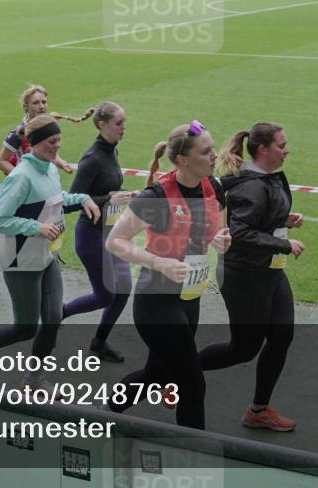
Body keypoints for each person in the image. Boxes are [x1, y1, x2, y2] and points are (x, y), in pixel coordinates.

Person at [0, 115, 100, 390]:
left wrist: (82, 199)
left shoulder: (49, 169)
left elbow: (56, 201)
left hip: (46, 256)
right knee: (26, 327)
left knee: (53, 318)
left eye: (59, 140)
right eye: (52, 141)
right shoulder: (21, 177)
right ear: (36, 143)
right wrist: (36, 227)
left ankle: (33, 380)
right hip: (21, 262)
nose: (58, 145)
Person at [104, 121, 231, 430]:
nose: (214, 155)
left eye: (213, 149)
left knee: (156, 375)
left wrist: (220, 239)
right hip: (156, 301)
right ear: (183, 160)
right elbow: (115, 241)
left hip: (189, 297)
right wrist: (159, 263)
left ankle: (102, 414)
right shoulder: (157, 196)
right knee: (192, 385)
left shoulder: (213, 187)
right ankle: (192, 454)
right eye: (206, 151)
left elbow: (218, 229)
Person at [199, 122, 305, 432]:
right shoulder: (252, 186)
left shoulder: (264, 178)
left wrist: (283, 220)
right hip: (244, 275)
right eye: (281, 145)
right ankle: (174, 371)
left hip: (268, 270)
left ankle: (258, 411)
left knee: (281, 336)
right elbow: (241, 233)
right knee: (243, 349)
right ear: (262, 150)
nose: (287, 150)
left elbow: (255, 219)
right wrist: (284, 244)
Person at [0, 85, 88, 291]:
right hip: (24, 192)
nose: (41, 106)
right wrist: (22, 178)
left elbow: (47, 150)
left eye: (44, 102)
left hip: (41, 184)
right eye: (36, 103)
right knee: (24, 237)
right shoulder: (17, 134)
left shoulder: (45, 126)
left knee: (42, 231)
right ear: (26, 107)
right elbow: (1, 161)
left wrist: (60, 163)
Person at [62, 101, 135, 363]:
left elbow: (108, 189)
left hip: (112, 232)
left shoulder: (112, 150)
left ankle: (99, 342)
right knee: (105, 295)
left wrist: (126, 195)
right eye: (119, 123)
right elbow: (70, 203)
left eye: (124, 122)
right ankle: (57, 314)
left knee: (123, 289)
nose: (123, 128)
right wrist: (109, 199)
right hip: (91, 236)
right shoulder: (92, 159)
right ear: (102, 125)